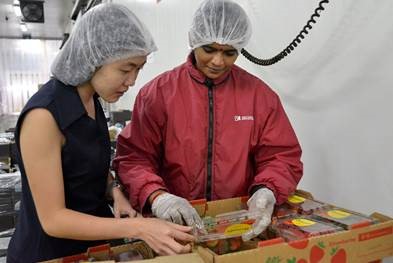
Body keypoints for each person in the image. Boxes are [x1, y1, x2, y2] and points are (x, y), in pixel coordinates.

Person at [7, 3, 194, 263]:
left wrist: (114, 192)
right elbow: (54, 219)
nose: (131, 81)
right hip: (50, 253)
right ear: (94, 57)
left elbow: (87, 166)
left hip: (91, 248)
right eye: (125, 69)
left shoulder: (91, 101)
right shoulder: (44, 116)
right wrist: (140, 228)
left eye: (138, 70)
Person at [113, 0, 303, 242]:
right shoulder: (158, 94)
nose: (218, 62)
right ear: (194, 41)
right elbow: (134, 158)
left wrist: (267, 189)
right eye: (209, 50)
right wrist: (158, 196)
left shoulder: (260, 96)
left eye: (229, 52)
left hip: (239, 225)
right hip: (172, 228)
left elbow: (282, 156)